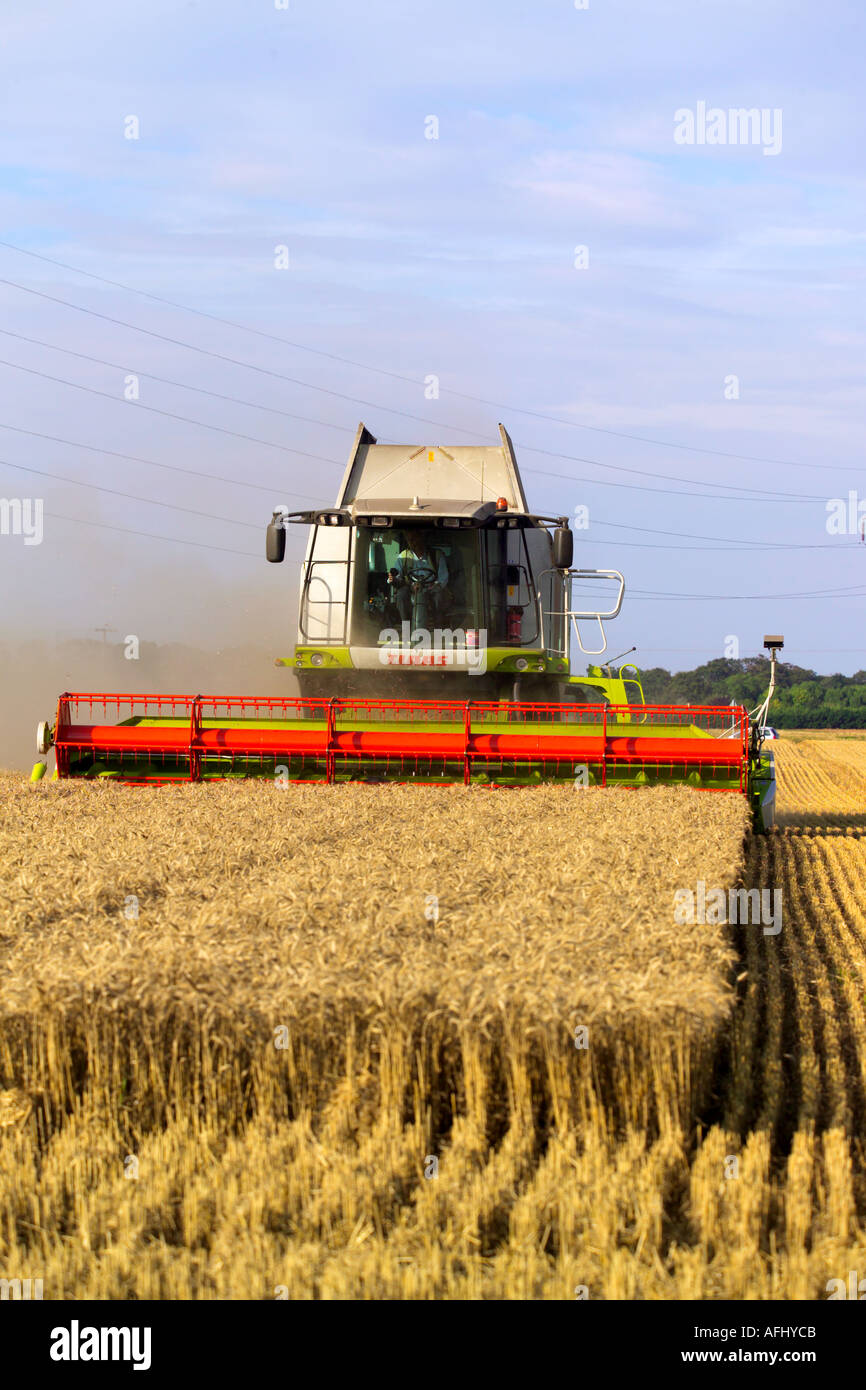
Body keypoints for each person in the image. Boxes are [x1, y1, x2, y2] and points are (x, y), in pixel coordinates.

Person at [388, 529, 448, 631]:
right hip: (412, 590)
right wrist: (393, 579)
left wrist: (433, 586)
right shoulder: (404, 556)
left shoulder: (436, 555)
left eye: (414, 538)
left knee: (439, 595)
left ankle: (438, 627)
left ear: (422, 538)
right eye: (409, 540)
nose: (412, 542)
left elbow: (443, 578)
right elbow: (397, 575)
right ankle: (406, 627)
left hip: (431, 589)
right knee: (401, 594)